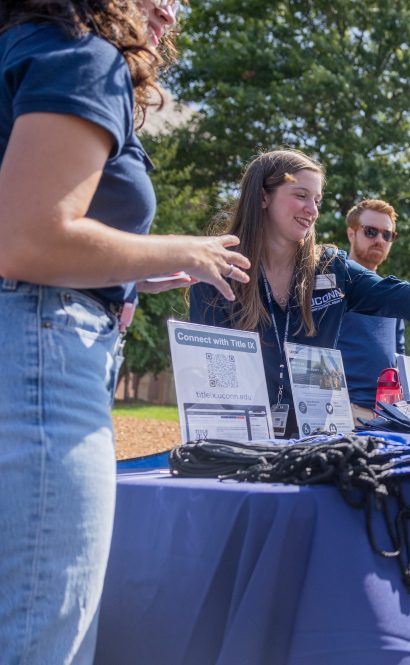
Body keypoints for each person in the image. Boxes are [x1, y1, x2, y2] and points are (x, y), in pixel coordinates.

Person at [0, 1, 252, 662]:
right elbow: (28, 240)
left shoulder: (21, 46)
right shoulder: (83, 54)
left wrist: (136, 271)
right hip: (44, 356)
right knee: (43, 637)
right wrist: (188, 250)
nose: (173, 9)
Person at [189, 149, 410, 438]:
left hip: (315, 438)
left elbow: (406, 296)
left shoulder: (332, 268)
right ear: (263, 196)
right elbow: (207, 374)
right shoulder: (219, 268)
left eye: (317, 200)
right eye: (301, 195)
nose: (312, 210)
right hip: (238, 437)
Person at [336, 199, 406, 423]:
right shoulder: (332, 285)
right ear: (351, 233)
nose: (379, 240)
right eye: (371, 232)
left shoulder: (393, 293)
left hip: (389, 415)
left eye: (387, 235)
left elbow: (399, 359)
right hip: (342, 411)